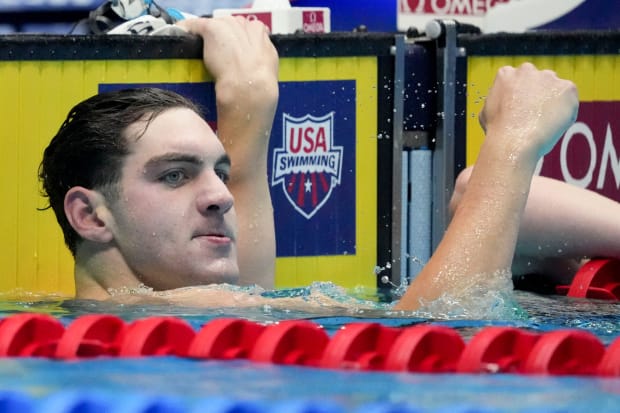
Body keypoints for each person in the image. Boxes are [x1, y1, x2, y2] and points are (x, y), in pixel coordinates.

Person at [39, 17, 617, 311]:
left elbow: (251, 284)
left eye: (217, 170)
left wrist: (251, 100)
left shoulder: (199, 314)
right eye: (173, 175)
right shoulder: (161, 320)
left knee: (477, 195)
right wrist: (513, 142)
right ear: (90, 216)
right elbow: (442, 330)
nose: (219, 196)